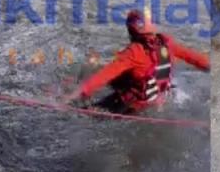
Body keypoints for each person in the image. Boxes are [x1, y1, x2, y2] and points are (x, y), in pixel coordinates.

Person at [66, 10, 209, 114]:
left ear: (131, 32)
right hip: (161, 95)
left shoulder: (134, 52)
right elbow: (194, 58)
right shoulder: (167, 43)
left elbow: (105, 75)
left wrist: (78, 93)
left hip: (134, 103)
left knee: (83, 113)